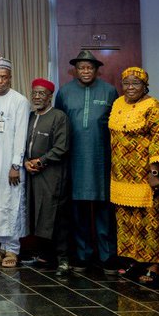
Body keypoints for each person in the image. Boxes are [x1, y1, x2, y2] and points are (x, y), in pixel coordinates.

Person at [54, 49, 118, 273]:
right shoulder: (64, 92)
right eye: (81, 67)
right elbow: (58, 124)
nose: (85, 71)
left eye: (89, 67)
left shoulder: (110, 91)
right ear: (75, 70)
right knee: (78, 210)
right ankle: (82, 256)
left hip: (102, 160)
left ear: (96, 70)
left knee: (104, 210)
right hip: (74, 160)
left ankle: (107, 257)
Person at [108, 66, 159, 285]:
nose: (131, 87)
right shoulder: (118, 103)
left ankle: (153, 265)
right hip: (120, 174)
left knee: (149, 220)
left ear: (145, 85)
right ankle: (134, 260)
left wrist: (155, 172)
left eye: (136, 83)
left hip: (144, 175)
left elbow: (158, 140)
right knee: (126, 221)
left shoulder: (154, 106)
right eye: (127, 83)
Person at [22, 79, 71, 273]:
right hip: (32, 174)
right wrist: (26, 161)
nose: (37, 97)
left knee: (55, 216)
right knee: (37, 214)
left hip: (52, 174)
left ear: (50, 96)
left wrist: (41, 161)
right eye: (34, 93)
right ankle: (44, 256)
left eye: (42, 93)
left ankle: (63, 259)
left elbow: (62, 147)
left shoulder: (59, 117)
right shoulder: (30, 116)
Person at [0, 58, 29, 268]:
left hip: (10, 163)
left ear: (10, 78)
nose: (0, 81)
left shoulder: (19, 101)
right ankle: (2, 247)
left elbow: (21, 135)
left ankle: (13, 249)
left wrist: (15, 165)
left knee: (11, 202)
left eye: (4, 77)